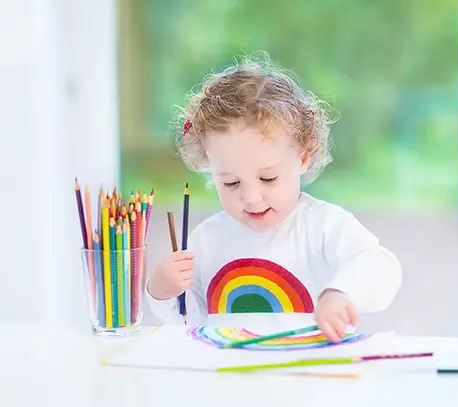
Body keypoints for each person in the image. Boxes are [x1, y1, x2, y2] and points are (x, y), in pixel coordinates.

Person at [146, 54, 402, 341]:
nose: (252, 198)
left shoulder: (323, 226)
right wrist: (162, 292)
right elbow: (191, 322)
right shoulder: (207, 238)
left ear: (302, 158)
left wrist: (340, 293)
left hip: (311, 373)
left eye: (268, 178)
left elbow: (382, 267)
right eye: (230, 183)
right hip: (231, 377)